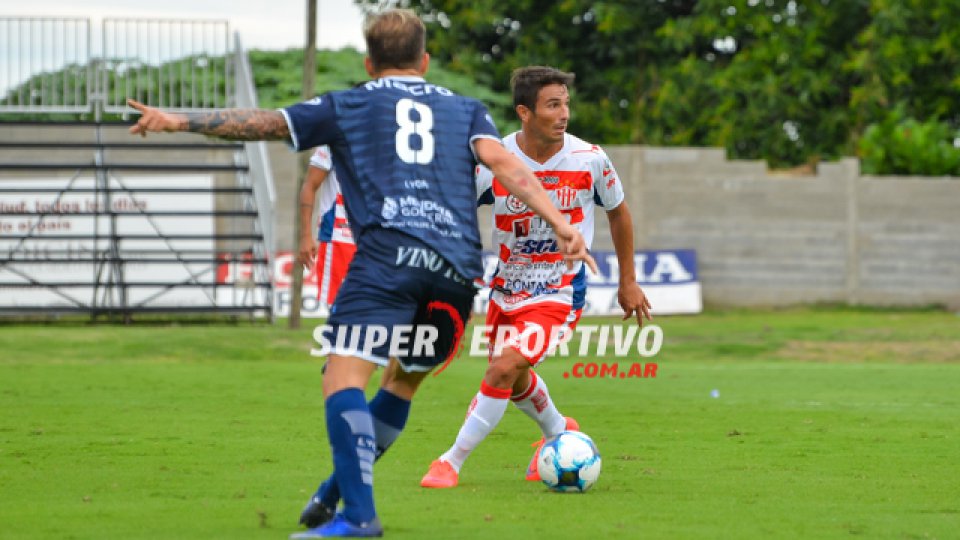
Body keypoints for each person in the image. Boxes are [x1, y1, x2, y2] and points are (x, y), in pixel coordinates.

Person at [127, 10, 597, 539]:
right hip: (456, 271)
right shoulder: (466, 111)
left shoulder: (348, 103)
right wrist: (562, 224)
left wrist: (179, 121)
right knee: (400, 384)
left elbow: (264, 123)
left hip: (388, 258)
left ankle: (359, 516)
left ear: (370, 63)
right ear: (426, 60)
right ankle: (333, 494)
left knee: (343, 378)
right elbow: (509, 169)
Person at [419, 66, 652, 489]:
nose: (564, 113)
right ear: (525, 112)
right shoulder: (496, 161)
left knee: (503, 369)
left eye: (565, 103)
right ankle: (559, 429)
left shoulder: (590, 158)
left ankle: (449, 462)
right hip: (506, 287)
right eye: (552, 105)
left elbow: (618, 213)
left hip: (560, 289)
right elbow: (455, 215)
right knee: (515, 374)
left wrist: (628, 281)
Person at [297, 146, 356, 309]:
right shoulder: (332, 140)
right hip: (339, 238)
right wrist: (306, 236)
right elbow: (310, 185)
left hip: (375, 238)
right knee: (340, 310)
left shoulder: (385, 137)